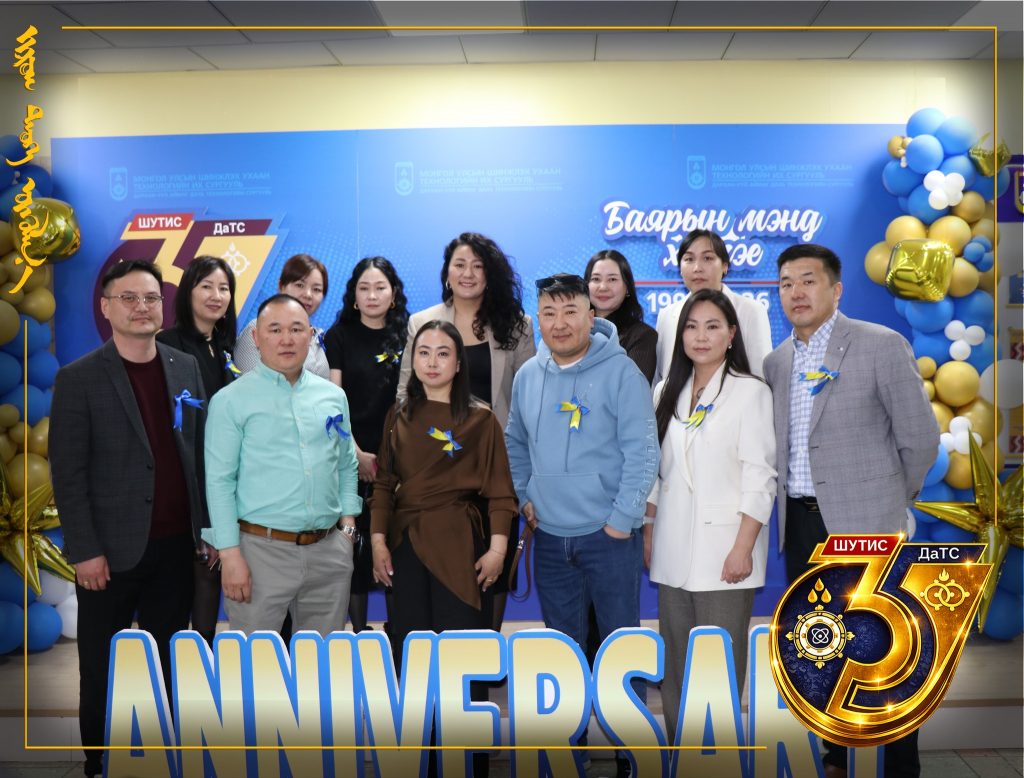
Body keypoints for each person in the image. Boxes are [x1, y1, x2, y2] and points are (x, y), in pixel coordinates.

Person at [763, 243, 938, 778]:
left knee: (885, 649)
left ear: (836, 289)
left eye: (808, 280)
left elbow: (920, 438)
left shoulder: (879, 344)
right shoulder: (776, 362)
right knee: (821, 647)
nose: (796, 292)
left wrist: (889, 501)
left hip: (868, 523)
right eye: (786, 283)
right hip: (801, 525)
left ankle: (899, 766)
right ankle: (838, 756)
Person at [49, 260, 208, 778]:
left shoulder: (184, 367)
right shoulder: (78, 378)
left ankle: (162, 757)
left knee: (167, 662)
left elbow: (197, 454)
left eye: (151, 298)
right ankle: (99, 763)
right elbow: (68, 473)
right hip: (108, 554)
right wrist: (85, 550)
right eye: (129, 298)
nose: (143, 307)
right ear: (106, 307)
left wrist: (205, 530)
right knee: (100, 667)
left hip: (175, 547)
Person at [504, 273, 659, 778]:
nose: (560, 323)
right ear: (538, 320)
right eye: (548, 313)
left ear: (591, 317)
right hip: (550, 539)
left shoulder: (622, 372)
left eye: (570, 311)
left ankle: (632, 760)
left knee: (620, 652)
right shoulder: (529, 375)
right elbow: (515, 442)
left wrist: (621, 521)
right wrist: (526, 496)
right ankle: (567, 760)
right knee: (563, 656)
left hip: (608, 538)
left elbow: (644, 451)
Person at [371, 320, 518, 778]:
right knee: (413, 660)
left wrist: (498, 551)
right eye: (423, 352)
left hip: (462, 548)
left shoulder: (481, 419)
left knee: (461, 661)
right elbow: (384, 484)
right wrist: (377, 540)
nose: (432, 362)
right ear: (413, 361)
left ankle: (467, 764)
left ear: (458, 365)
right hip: (404, 548)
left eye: (442, 354)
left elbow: (501, 492)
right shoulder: (398, 414)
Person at [646, 288, 776, 745]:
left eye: (712, 326)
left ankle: (716, 757)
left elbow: (760, 475)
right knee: (676, 665)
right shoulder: (665, 390)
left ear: (732, 334)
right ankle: (679, 753)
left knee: (719, 664)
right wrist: (649, 529)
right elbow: (656, 469)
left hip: (726, 552)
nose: (700, 336)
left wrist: (743, 547)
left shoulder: (751, 392)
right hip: (671, 548)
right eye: (691, 326)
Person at [398, 232, 535, 631]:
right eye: (459, 265)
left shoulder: (517, 325)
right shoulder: (422, 323)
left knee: (491, 567)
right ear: (447, 273)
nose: (468, 273)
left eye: (478, 265)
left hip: (494, 468)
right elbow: (405, 394)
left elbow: (528, 399)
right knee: (436, 575)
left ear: (490, 274)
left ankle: (484, 652)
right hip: (436, 473)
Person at [203, 294, 361, 636]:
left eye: (296, 329)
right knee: (257, 664)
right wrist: (230, 555)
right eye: (275, 330)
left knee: (321, 662)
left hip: (329, 553)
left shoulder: (333, 396)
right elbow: (219, 482)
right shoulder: (230, 401)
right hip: (259, 553)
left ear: (311, 335)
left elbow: (346, 464)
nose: (287, 339)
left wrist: (347, 528)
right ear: (256, 338)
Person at [156, 255, 238, 645]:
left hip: (224, 475)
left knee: (213, 571)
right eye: (206, 286)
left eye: (224, 288)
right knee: (193, 571)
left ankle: (204, 657)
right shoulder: (166, 344)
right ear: (188, 290)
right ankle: (179, 662)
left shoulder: (225, 347)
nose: (216, 295)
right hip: (186, 477)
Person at [324, 256, 409, 632]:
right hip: (350, 455)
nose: (372, 295)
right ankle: (359, 631)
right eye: (364, 288)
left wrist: (394, 458)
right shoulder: (339, 336)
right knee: (354, 549)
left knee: (397, 544)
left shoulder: (409, 334)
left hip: (400, 457)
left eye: (380, 287)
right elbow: (333, 401)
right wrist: (355, 454)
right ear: (354, 296)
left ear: (394, 294)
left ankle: (399, 629)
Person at [654, 229, 773, 385]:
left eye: (707, 258)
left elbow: (760, 375)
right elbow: (661, 377)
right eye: (689, 259)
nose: (697, 268)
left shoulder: (751, 311)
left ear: (725, 266)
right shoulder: (666, 315)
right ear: (680, 268)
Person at [234, 253, 330, 378]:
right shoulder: (257, 329)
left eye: (316, 289)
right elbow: (252, 383)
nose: (308, 294)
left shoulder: (320, 337)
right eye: (300, 285)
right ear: (281, 286)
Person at [585, 249, 657, 384]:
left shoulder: (642, 336)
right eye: (595, 279)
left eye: (612, 279)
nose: (603, 287)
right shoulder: (574, 331)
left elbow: (633, 388)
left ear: (627, 287)